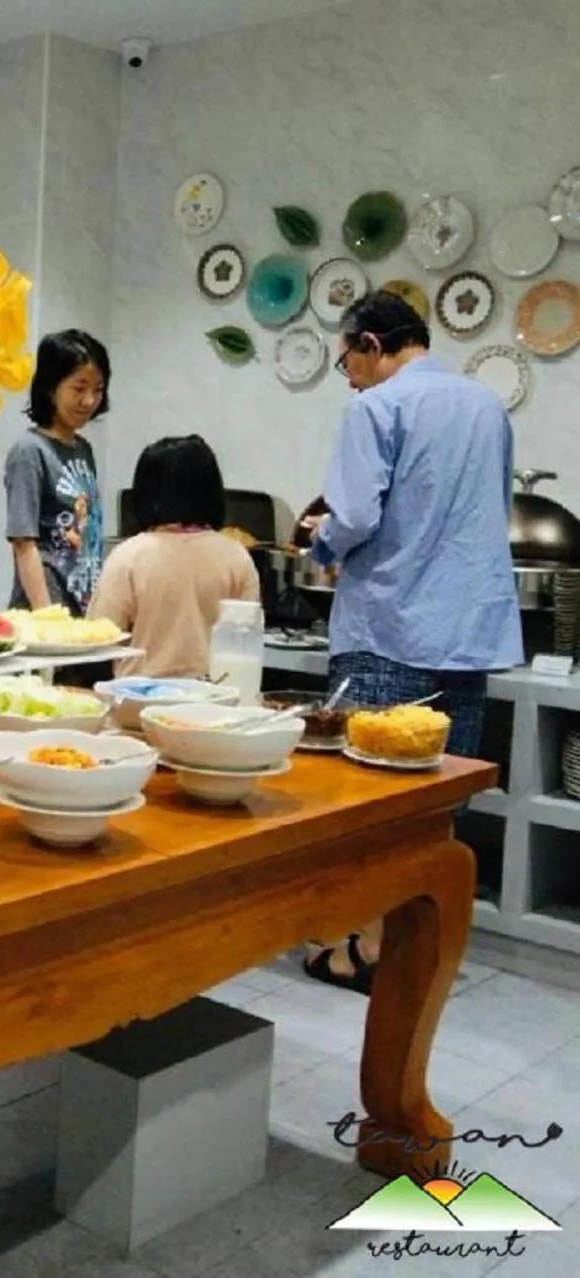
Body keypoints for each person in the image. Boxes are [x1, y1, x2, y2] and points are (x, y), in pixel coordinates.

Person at [301, 290, 522, 993]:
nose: (350, 377)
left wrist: (321, 544)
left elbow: (358, 511)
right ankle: (419, 945)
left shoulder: (376, 407)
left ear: (370, 343)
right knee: (438, 805)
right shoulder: (487, 406)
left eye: (348, 362)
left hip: (391, 623)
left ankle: (364, 948)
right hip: (473, 630)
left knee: (368, 799)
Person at [89, 435, 259, 677]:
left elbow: (100, 636)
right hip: (217, 703)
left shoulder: (129, 557)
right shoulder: (237, 556)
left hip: (140, 703)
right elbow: (246, 637)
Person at [4, 330, 110, 616]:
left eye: (98, 389)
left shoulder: (83, 449)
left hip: (83, 603)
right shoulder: (30, 451)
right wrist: (46, 617)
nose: (89, 400)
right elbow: (23, 542)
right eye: (79, 388)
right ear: (51, 388)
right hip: (45, 605)